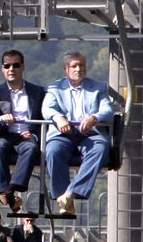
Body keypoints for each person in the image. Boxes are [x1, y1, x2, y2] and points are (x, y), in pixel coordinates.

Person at [42, 50, 114, 215]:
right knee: (53, 151)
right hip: (64, 134)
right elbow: (47, 108)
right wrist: (59, 118)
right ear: (66, 69)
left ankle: (70, 193)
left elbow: (107, 110)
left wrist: (94, 118)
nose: (78, 69)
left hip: (89, 134)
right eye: (74, 66)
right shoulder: (55, 88)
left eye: (81, 65)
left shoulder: (98, 87)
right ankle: (64, 200)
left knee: (101, 148)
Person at [0, 49, 45, 213]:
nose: (11, 69)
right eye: (7, 66)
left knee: (31, 147)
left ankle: (10, 190)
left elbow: (43, 119)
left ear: (22, 67)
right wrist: (1, 120)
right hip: (5, 135)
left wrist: (33, 134)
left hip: (26, 136)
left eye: (16, 65)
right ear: (2, 69)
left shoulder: (38, 92)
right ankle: (4, 189)